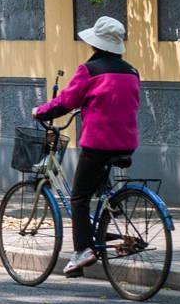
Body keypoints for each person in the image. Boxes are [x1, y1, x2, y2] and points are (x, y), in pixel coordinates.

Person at [33, 15, 141, 276]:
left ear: (96, 44)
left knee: (79, 197)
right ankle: (112, 224)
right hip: (126, 142)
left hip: (98, 144)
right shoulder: (131, 71)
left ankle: (83, 250)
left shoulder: (89, 70)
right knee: (102, 190)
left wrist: (41, 112)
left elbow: (67, 102)